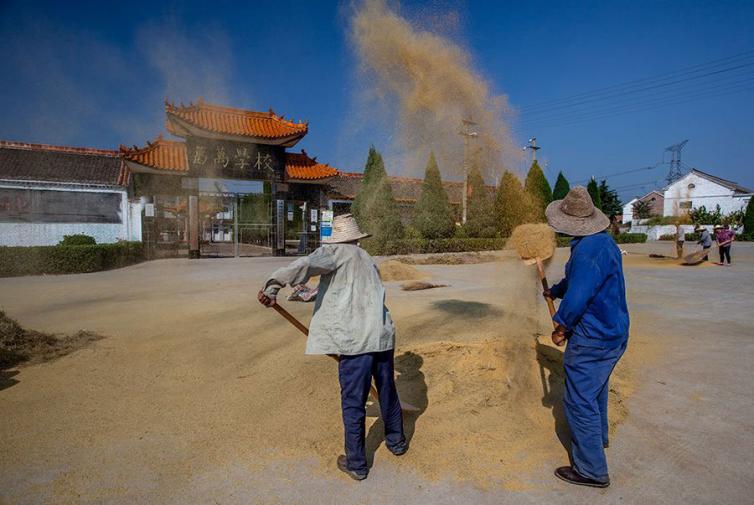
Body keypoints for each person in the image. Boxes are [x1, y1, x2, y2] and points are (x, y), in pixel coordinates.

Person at [257, 214, 406, 481]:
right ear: (357, 238)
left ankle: (357, 464)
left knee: (353, 402)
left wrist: (273, 286)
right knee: (387, 390)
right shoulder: (367, 259)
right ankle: (397, 442)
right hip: (381, 334)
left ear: (337, 238)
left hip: (356, 341)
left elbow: (305, 264)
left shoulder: (334, 252)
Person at [542, 186, 630, 488]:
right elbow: (581, 281)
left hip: (593, 338)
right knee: (597, 389)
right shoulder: (604, 243)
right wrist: (555, 290)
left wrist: (562, 326)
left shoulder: (586, 251)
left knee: (579, 400)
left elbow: (579, 296)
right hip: (615, 333)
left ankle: (591, 470)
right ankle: (599, 437)